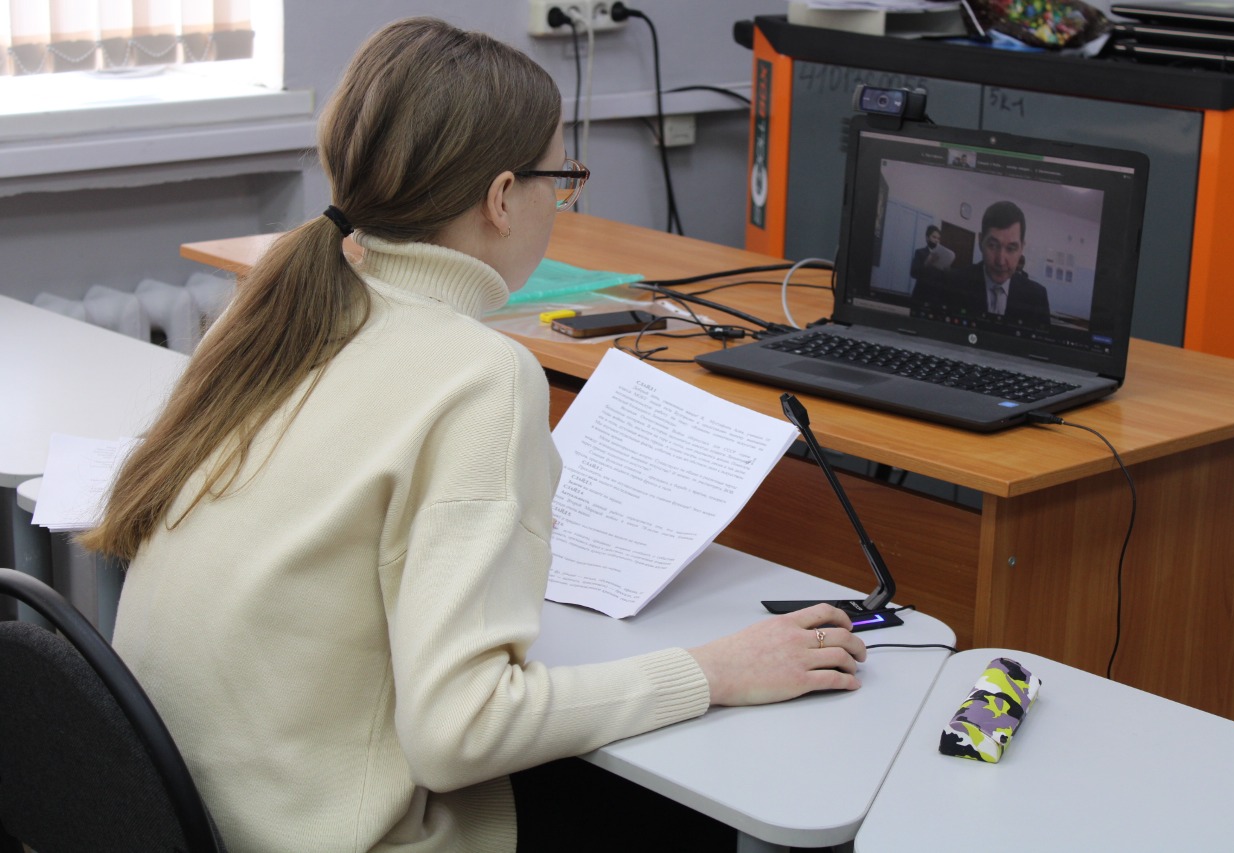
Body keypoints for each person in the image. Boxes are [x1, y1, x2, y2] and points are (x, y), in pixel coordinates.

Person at [81, 17, 867, 853]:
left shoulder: (276, 313)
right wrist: (713, 670)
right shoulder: (482, 375)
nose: (560, 202)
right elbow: (459, 733)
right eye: (560, 179)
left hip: (206, 813)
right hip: (330, 832)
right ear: (500, 199)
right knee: (702, 796)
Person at [952, 201, 1051, 327]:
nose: (1000, 261)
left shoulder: (1036, 298)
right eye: (993, 245)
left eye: (1011, 248)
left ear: (1022, 248)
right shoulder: (952, 284)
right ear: (980, 241)